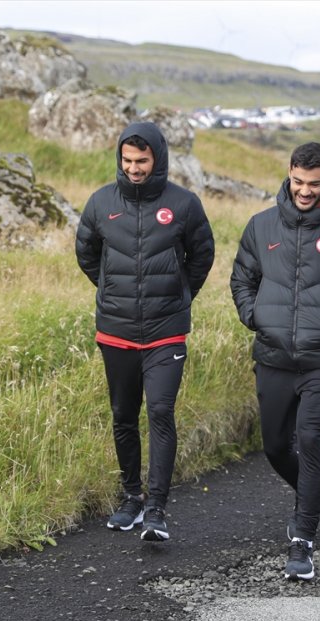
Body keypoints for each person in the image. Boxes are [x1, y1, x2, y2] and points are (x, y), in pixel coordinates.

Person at [230, 142, 320, 581]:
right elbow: (242, 277)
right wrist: (253, 315)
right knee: (276, 445)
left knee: (311, 439)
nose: (305, 191)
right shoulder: (261, 225)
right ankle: (308, 497)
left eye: (314, 184)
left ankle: (303, 541)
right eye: (298, 182)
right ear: (289, 174)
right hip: (273, 355)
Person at [76, 121, 215, 540]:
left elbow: (202, 255)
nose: (134, 168)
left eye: (142, 160)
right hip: (116, 331)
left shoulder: (184, 204)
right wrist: (114, 291)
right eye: (127, 160)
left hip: (166, 331)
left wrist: (179, 292)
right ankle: (131, 499)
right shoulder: (101, 203)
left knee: (159, 412)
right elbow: (87, 254)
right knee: (123, 416)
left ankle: (156, 509)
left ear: (158, 159)